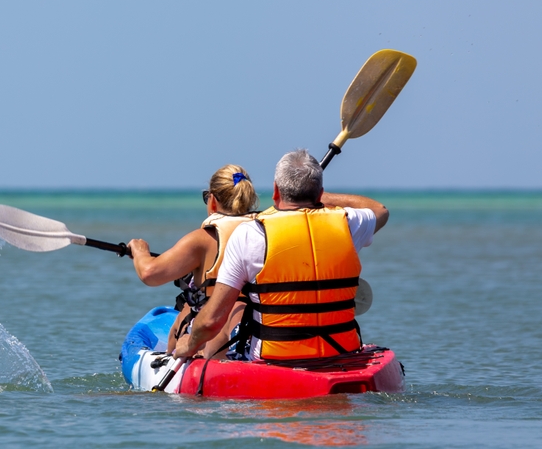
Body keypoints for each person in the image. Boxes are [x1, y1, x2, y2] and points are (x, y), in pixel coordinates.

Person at [173, 149, 389, 362]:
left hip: (274, 359)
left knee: (236, 311)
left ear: (276, 191)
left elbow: (212, 320)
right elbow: (379, 210)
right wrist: (319, 195)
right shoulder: (348, 223)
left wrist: (189, 344)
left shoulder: (251, 234)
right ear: (319, 193)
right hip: (340, 353)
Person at [127, 164, 258, 359]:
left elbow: (149, 273)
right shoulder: (265, 232)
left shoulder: (203, 239)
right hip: (257, 328)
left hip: (211, 338)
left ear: (212, 201)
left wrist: (140, 252)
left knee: (187, 311)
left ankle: (174, 356)